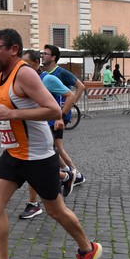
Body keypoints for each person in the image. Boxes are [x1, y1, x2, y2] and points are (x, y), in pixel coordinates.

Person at [0, 29, 102, 259]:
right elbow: (13, 108)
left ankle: (88, 249)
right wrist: (2, 119)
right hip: (13, 152)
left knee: (56, 210)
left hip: (38, 156)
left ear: (14, 49)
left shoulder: (25, 73)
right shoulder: (2, 76)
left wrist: (11, 116)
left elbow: (53, 110)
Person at [18, 49, 81, 220]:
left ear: (36, 64)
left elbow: (70, 95)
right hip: (33, 128)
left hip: (49, 124)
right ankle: (66, 175)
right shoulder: (23, 80)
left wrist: (61, 116)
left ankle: (34, 203)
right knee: (44, 159)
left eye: (26, 65)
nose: (22, 68)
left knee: (35, 162)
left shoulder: (49, 79)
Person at [41, 44, 85, 187]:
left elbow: (81, 87)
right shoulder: (44, 74)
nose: (42, 55)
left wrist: (69, 104)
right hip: (50, 116)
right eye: (42, 53)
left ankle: (73, 174)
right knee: (55, 146)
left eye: (45, 53)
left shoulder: (61, 72)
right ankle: (72, 174)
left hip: (59, 116)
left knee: (54, 146)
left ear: (53, 57)